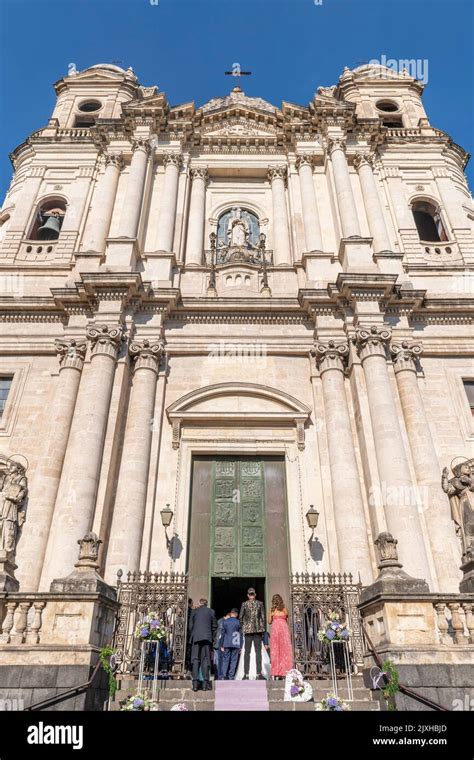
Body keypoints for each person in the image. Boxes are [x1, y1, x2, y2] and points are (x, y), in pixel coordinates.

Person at [189, 598, 217, 692]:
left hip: (196, 638)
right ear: (207, 603)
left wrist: (193, 634)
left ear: (199, 603)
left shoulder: (194, 611)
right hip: (206, 638)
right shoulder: (211, 611)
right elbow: (214, 626)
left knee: (195, 660)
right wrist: (212, 637)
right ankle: (205, 684)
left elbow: (190, 626)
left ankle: (195, 684)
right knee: (205, 660)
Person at [238, 587, 266, 680]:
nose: (251, 596)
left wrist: (262, 629)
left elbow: (263, 617)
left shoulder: (260, 603)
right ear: (247, 595)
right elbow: (241, 617)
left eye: (253, 594)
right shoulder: (244, 604)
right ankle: (246, 674)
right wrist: (243, 628)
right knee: (247, 653)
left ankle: (259, 673)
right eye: (250, 594)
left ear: (255, 595)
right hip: (248, 631)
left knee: (258, 652)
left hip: (258, 631)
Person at [268, 593, 294, 680]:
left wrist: (273, 615)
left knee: (276, 651)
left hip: (276, 631)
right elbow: (287, 620)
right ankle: (285, 671)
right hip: (284, 630)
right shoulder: (285, 610)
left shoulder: (272, 610)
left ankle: (276, 672)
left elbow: (269, 621)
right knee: (285, 650)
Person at [219, 608, 242, 680]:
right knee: (234, 660)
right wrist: (241, 645)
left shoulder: (225, 622)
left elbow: (222, 634)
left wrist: (221, 644)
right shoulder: (239, 622)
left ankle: (223, 675)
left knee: (225, 659)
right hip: (236, 643)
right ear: (236, 614)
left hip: (227, 643)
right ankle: (231, 676)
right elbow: (241, 635)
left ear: (231, 613)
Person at [215, 611, 230, 680]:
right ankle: (219, 676)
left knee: (220, 660)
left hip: (219, 643)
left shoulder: (220, 621)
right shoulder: (222, 622)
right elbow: (220, 634)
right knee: (219, 660)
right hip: (219, 644)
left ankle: (220, 675)